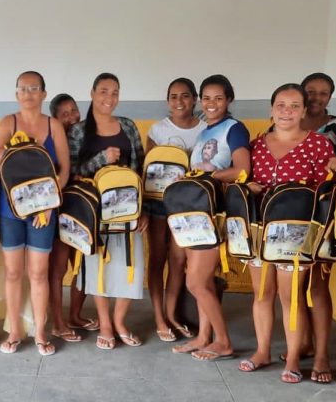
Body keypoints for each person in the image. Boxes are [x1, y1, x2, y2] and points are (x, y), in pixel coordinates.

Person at [238, 83, 334, 384]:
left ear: (304, 111)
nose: (287, 111)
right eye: (281, 105)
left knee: (290, 296)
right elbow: (244, 178)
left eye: (294, 106)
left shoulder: (318, 144)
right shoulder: (256, 144)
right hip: (259, 232)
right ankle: (262, 351)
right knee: (262, 294)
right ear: (271, 109)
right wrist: (248, 185)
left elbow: (325, 191)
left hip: (297, 234)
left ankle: (293, 358)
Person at [0, 71, 70, 356]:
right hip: (11, 209)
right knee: (13, 272)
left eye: (34, 88)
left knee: (38, 272)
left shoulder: (53, 125)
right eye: (23, 88)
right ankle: (14, 332)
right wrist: (17, 147)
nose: (28, 93)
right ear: (16, 94)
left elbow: (64, 170)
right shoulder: (8, 123)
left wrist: (48, 202)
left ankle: (40, 332)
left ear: (44, 94)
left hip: (43, 211)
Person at [68, 73, 147, 350]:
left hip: (129, 211)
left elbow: (141, 170)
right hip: (94, 213)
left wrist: (144, 210)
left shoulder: (128, 126)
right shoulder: (78, 131)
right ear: (92, 93)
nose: (109, 98)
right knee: (97, 267)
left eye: (114, 92)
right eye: (103, 91)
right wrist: (102, 159)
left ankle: (120, 321)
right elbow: (72, 174)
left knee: (131, 265)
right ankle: (105, 324)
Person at [175, 74, 250, 361]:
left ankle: (223, 341)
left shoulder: (234, 129)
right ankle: (204, 336)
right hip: (196, 210)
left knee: (195, 282)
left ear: (229, 100)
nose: (211, 103)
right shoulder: (205, 131)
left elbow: (242, 170)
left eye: (218, 98)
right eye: (206, 98)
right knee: (201, 282)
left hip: (215, 214)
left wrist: (209, 176)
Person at [297, 72, 336, 383]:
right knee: (295, 285)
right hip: (293, 216)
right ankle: (304, 343)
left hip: (326, 217)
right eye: (310, 91)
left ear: (330, 98)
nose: (316, 98)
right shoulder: (288, 122)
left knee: (318, 285)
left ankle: (322, 356)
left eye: (323, 93)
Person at [145, 78, 206, 342]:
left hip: (187, 204)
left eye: (185, 96)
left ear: (194, 99)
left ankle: (172, 315)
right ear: (168, 100)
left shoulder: (205, 130)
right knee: (157, 259)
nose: (179, 101)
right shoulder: (157, 130)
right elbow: (148, 171)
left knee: (178, 260)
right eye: (173, 96)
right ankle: (159, 318)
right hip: (158, 203)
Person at [47, 93, 95, 340]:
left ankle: (75, 315)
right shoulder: (52, 141)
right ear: (55, 119)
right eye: (64, 114)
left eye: (74, 110)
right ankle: (58, 321)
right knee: (59, 267)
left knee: (83, 263)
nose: (72, 117)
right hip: (60, 208)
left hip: (84, 208)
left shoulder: (87, 135)